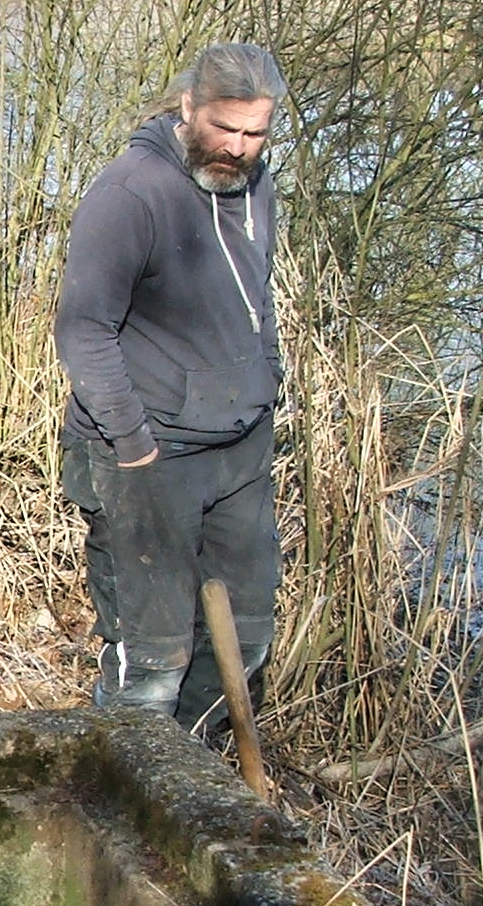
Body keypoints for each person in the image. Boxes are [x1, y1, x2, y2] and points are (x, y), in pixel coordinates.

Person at [53, 42, 288, 735]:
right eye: (225, 127)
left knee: (243, 640)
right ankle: (123, 785)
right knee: (152, 664)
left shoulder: (256, 186)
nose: (238, 147)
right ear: (189, 106)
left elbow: (258, 299)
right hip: (150, 456)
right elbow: (83, 330)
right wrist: (132, 443)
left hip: (239, 450)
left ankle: (191, 777)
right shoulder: (131, 194)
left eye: (254, 133)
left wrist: (267, 380)